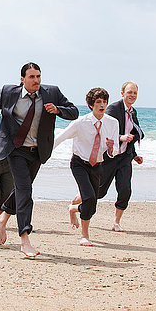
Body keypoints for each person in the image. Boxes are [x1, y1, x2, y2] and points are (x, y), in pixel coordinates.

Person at [0, 62, 78, 257]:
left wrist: (58, 110)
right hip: (15, 148)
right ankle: (24, 238)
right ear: (22, 79)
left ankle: (3, 218)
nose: (36, 80)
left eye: (38, 76)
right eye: (32, 77)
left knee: (21, 189)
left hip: (38, 150)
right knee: (25, 191)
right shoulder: (8, 92)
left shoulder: (52, 92)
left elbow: (74, 112)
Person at [73, 81, 143, 232]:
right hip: (109, 158)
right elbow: (104, 130)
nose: (132, 95)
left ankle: (116, 222)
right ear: (122, 93)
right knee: (99, 192)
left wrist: (135, 155)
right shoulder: (113, 108)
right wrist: (120, 137)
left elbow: (132, 134)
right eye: (129, 92)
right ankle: (75, 204)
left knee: (125, 190)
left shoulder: (133, 112)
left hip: (125, 157)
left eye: (135, 93)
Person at [54, 88, 119, 246]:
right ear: (91, 105)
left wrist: (111, 149)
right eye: (98, 102)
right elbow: (60, 138)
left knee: (92, 203)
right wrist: (41, 156)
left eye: (104, 102)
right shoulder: (80, 123)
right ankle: (84, 236)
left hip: (97, 165)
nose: (102, 105)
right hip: (79, 164)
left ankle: (73, 209)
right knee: (89, 197)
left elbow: (115, 150)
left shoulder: (112, 123)